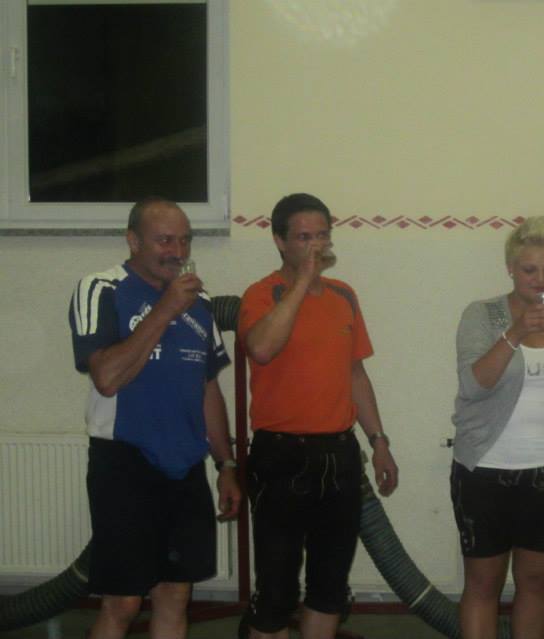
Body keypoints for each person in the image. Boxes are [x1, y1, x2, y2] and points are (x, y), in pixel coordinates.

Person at [68, 197, 241, 639]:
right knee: (123, 602)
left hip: (185, 465)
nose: (177, 251)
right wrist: (165, 310)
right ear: (133, 240)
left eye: (184, 240)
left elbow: (208, 389)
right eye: (165, 240)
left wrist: (226, 464)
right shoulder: (101, 288)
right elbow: (107, 378)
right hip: (124, 462)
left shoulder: (200, 302)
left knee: (175, 595)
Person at [237, 193, 399, 639]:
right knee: (276, 592)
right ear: (279, 241)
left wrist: (379, 441)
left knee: (329, 589)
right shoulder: (261, 294)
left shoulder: (344, 295)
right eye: (304, 237)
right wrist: (303, 282)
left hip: (339, 453)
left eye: (322, 235)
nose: (315, 246)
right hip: (281, 457)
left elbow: (355, 373)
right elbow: (261, 348)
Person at [450, 216, 544, 639]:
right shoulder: (481, 315)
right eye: (529, 269)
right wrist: (514, 333)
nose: (540, 279)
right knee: (483, 585)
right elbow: (473, 385)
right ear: (511, 269)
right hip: (484, 470)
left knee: (535, 583)